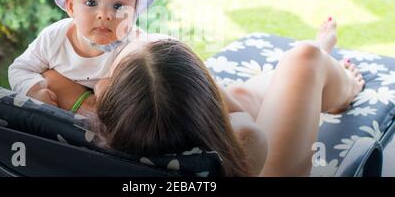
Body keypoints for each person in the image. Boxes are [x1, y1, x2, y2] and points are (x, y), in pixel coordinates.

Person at [87, 17, 365, 176]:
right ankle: (342, 83)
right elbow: (234, 115)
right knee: (305, 59)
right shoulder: (248, 137)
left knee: (241, 94)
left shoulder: (80, 141)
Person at [8, 0, 154, 111]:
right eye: (91, 3)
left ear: (134, 11)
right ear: (71, 6)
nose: (104, 15)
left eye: (118, 6)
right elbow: (19, 69)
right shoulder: (54, 38)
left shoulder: (134, 49)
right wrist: (33, 89)